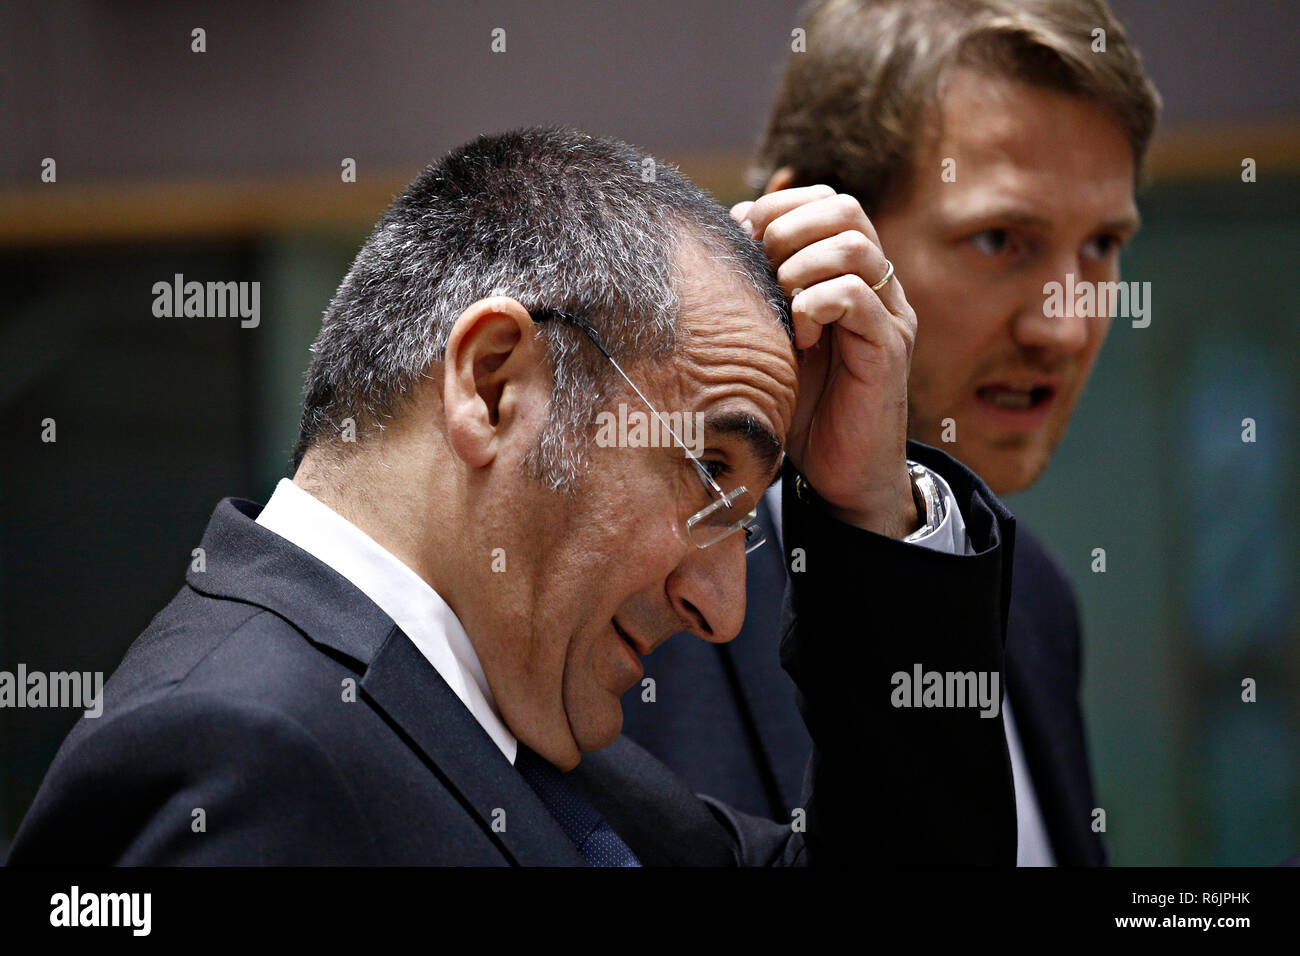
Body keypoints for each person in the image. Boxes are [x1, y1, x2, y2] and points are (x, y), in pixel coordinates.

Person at [9, 127, 1015, 866]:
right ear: (493, 384)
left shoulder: (516, 723)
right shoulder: (236, 747)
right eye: (709, 471)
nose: (723, 606)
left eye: (748, 521)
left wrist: (873, 506)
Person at [621, 0, 1160, 866]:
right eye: (999, 239)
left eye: (1102, 245)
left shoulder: (1038, 602)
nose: (1067, 325)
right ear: (808, 236)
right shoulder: (640, 591)